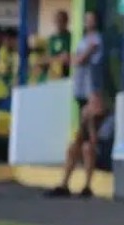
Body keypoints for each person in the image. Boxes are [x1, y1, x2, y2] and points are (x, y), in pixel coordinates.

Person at [44, 11, 104, 198]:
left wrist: (70, 59)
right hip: (82, 93)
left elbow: (80, 60)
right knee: (83, 143)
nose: (88, 22)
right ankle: (77, 184)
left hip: (91, 95)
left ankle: (72, 184)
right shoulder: (85, 39)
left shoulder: (96, 40)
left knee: (83, 143)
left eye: (91, 19)